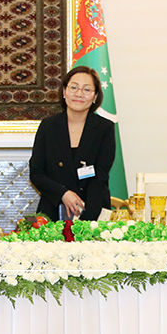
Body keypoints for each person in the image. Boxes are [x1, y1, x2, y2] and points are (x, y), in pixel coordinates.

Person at [29, 65, 116, 221]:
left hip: (92, 210)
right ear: (64, 92)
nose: (79, 94)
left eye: (87, 90)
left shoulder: (105, 128)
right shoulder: (48, 126)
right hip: (53, 211)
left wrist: (85, 215)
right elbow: (36, 173)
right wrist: (63, 193)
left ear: (95, 96)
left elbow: (100, 177)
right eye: (74, 87)